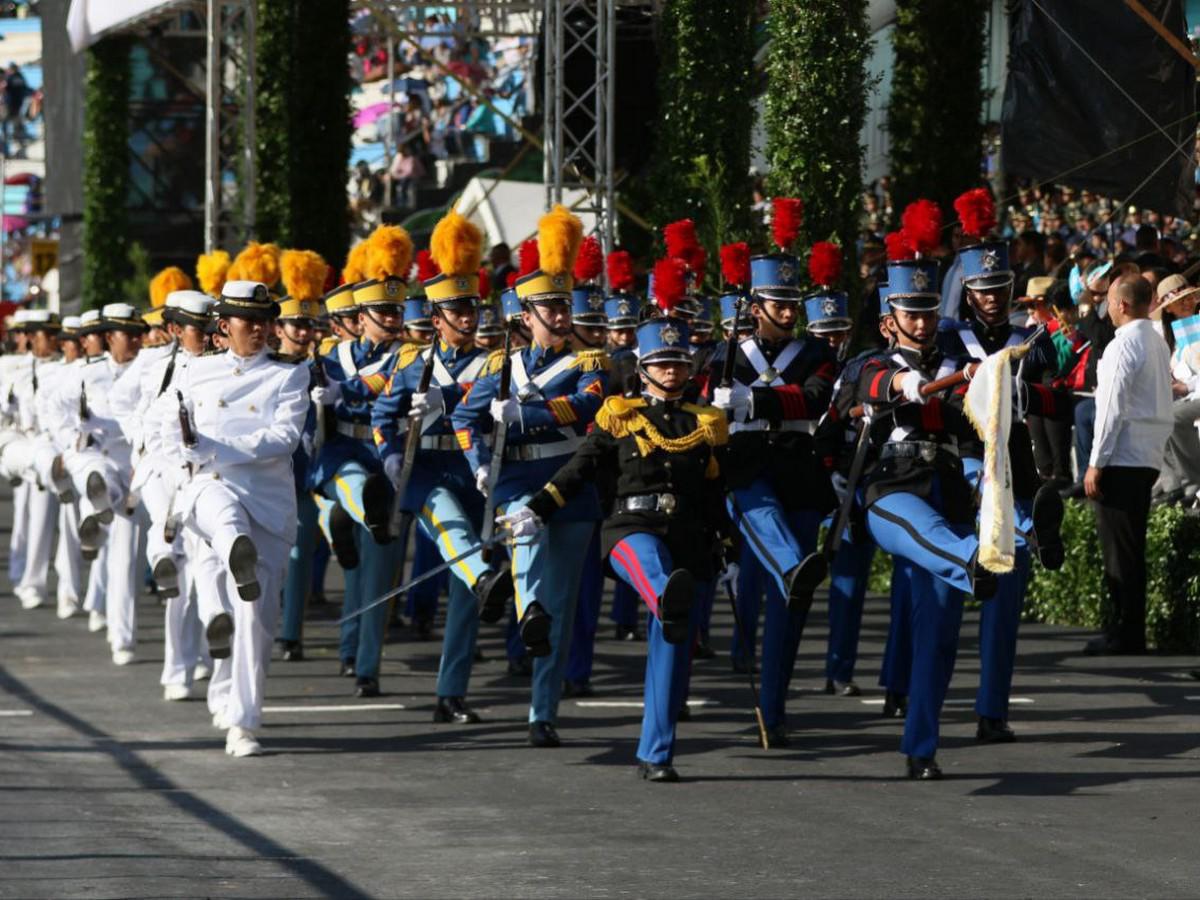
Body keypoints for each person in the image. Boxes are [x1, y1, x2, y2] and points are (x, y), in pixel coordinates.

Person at [502, 311, 730, 782]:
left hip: (685, 535)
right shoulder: (620, 415)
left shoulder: (704, 423)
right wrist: (538, 509)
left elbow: (713, 494)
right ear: (643, 367)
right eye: (663, 363)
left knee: (672, 636)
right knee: (658, 579)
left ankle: (656, 753)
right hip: (631, 527)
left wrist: (728, 545)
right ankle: (667, 594)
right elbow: (579, 469)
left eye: (680, 364)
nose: (673, 372)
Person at [451, 205, 607, 748]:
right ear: (524, 313)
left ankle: (543, 711)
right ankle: (528, 611)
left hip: (570, 484)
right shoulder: (499, 365)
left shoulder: (590, 362)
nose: (561, 316)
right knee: (526, 553)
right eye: (549, 308)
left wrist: (524, 414)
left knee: (559, 610)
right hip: (515, 483)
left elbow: (588, 408)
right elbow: (463, 419)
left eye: (565, 306)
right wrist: (474, 465)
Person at [154, 279, 309, 756]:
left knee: (255, 621)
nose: (261, 330)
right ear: (224, 326)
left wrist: (215, 447)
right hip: (208, 490)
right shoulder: (195, 372)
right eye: (250, 321)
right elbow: (164, 427)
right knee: (218, 506)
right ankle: (232, 544)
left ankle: (240, 719)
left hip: (265, 503)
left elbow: (282, 439)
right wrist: (179, 462)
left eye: (266, 322)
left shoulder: (290, 374)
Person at [372, 208, 514, 725]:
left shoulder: (496, 361)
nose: (469, 318)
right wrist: (391, 459)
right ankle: (482, 578)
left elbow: (493, 414)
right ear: (436, 318)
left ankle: (451, 691)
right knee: (453, 532)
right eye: (458, 311)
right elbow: (381, 418)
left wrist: (456, 403)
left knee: (463, 592)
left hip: (473, 470)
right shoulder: (410, 362)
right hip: (427, 471)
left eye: (472, 308)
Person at [1083, 274, 1173, 656]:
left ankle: (1125, 630)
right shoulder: (1155, 340)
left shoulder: (1124, 346)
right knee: (1130, 547)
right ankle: (1129, 627)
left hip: (1122, 456)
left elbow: (1110, 410)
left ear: (1120, 304)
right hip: (1148, 454)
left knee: (1119, 550)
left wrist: (1095, 463)